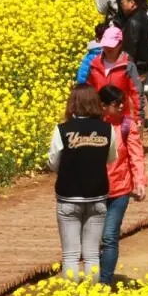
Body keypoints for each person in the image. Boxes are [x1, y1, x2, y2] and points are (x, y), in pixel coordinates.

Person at [47, 85, 118, 280]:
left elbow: (53, 162)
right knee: (92, 254)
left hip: (68, 196)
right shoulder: (107, 129)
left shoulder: (62, 129)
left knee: (70, 254)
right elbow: (111, 158)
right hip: (97, 195)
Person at [94, 86, 145, 286]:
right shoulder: (94, 126)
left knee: (109, 236)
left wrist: (139, 181)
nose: (122, 106)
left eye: (123, 102)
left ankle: (104, 283)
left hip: (120, 189)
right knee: (94, 239)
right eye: (117, 104)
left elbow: (136, 154)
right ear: (103, 106)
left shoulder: (126, 125)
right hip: (95, 190)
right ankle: (96, 276)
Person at [116, 0, 148, 132]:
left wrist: (132, 70)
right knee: (138, 102)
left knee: (133, 103)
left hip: (134, 67)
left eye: (123, 2)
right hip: (143, 66)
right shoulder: (145, 18)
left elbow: (131, 48)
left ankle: (133, 134)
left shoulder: (133, 22)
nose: (121, 5)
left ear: (132, 3)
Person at [85, 27, 142, 121]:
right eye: (105, 44)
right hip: (99, 119)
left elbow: (136, 94)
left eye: (112, 45)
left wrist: (138, 117)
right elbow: (88, 92)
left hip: (122, 119)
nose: (108, 48)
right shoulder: (94, 64)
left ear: (120, 44)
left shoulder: (127, 65)